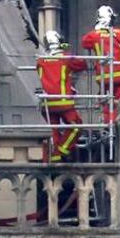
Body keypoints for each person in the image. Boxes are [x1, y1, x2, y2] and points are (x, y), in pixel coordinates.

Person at [36, 30, 87, 162]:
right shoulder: (65, 58)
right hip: (63, 101)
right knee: (76, 126)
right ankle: (62, 151)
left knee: (52, 131)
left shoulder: (41, 60)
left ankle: (52, 157)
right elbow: (82, 64)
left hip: (47, 103)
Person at [81, 5, 120, 122]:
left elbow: (85, 43)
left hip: (105, 75)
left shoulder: (93, 35)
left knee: (108, 102)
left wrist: (97, 30)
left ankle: (109, 125)